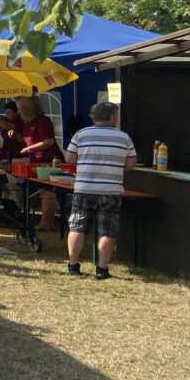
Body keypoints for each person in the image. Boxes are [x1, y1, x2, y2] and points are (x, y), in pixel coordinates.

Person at [65, 101, 137, 280]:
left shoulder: (81, 134)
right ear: (112, 117)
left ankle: (73, 265)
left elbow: (69, 158)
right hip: (111, 190)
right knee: (107, 229)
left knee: (77, 226)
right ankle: (102, 269)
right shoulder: (123, 137)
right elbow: (131, 163)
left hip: (84, 188)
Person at [17, 94, 63, 231]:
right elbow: (26, 140)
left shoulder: (43, 121)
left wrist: (28, 149)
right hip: (38, 159)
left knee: (47, 192)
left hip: (49, 160)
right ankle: (48, 223)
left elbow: (48, 142)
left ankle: (45, 223)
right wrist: (14, 134)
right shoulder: (27, 122)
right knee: (45, 191)